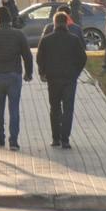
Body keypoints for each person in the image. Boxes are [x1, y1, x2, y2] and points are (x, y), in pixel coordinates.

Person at [0, 8, 34, 149]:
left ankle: (0, 137)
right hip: (14, 75)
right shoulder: (19, 35)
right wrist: (28, 73)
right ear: (10, 19)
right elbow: (27, 56)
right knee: (14, 109)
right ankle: (14, 141)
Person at [36, 9, 89, 148]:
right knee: (68, 108)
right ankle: (65, 139)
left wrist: (43, 72)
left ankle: (55, 138)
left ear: (54, 23)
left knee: (55, 108)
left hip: (53, 78)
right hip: (69, 78)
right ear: (66, 23)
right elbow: (82, 58)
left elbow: (40, 58)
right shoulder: (74, 39)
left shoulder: (46, 40)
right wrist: (76, 72)